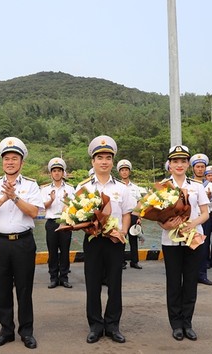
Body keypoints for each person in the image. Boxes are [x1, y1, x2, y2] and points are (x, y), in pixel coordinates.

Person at [0, 137, 43, 349]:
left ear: (21, 162)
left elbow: (34, 212)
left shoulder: (32, 185)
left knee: (24, 289)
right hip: (0, 243)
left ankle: (26, 331)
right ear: (2, 162)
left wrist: (15, 197)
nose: (10, 162)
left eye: (14, 158)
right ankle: (6, 330)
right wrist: (3, 198)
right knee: (2, 287)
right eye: (6, 158)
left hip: (23, 243)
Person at [79, 135, 134, 344]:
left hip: (115, 242)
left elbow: (128, 213)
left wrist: (123, 232)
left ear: (113, 162)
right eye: (99, 157)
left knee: (115, 284)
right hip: (93, 241)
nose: (104, 161)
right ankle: (95, 325)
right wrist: (90, 228)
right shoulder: (84, 188)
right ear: (92, 162)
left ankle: (112, 325)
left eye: (108, 157)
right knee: (92, 284)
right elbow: (76, 216)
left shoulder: (121, 188)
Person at [152, 145, 209, 341]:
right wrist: (165, 224)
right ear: (169, 165)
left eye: (183, 161)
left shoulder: (197, 186)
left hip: (193, 239)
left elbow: (205, 213)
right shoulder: (162, 186)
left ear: (188, 164)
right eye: (175, 161)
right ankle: (176, 324)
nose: (179, 165)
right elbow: (157, 215)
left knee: (191, 281)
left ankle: (187, 322)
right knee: (174, 283)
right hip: (170, 241)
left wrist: (192, 223)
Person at [41, 157, 75, 289]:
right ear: (51, 173)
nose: (56, 173)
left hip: (66, 222)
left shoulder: (70, 189)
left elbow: (74, 207)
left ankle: (64, 277)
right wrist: (51, 199)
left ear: (63, 173)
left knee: (65, 251)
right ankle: (53, 277)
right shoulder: (45, 189)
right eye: (54, 171)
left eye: (59, 170)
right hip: (51, 223)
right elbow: (43, 207)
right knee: (52, 251)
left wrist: (66, 200)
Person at [190, 153, 212, 286]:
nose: (200, 169)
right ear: (193, 168)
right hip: (193, 220)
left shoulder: (209, 185)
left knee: (204, 247)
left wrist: (210, 198)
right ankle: (192, 274)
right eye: (197, 167)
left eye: (202, 167)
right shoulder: (190, 184)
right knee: (192, 248)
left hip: (205, 219)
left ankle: (202, 274)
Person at [117, 159, 144, 270]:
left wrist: (139, 217)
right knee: (122, 238)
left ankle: (134, 261)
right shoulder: (117, 186)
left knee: (134, 240)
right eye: (122, 170)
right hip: (122, 216)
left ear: (129, 172)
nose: (124, 172)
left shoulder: (135, 187)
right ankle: (121, 261)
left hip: (133, 215)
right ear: (119, 172)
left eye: (126, 170)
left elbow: (139, 202)